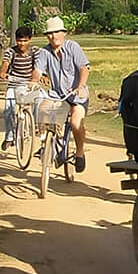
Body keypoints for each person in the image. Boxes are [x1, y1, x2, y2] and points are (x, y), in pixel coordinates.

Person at [31, 16, 90, 172]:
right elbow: (37, 71)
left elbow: (84, 68)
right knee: (43, 112)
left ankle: (79, 152)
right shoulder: (44, 52)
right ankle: (46, 145)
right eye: (50, 33)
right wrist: (34, 81)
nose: (53, 36)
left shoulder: (73, 47)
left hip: (77, 95)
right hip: (57, 95)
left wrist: (80, 86)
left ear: (64, 33)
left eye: (57, 32)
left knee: (75, 123)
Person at [0, 26, 41, 151]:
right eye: (19, 41)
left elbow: (38, 66)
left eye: (25, 40)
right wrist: (3, 72)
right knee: (8, 109)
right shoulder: (11, 51)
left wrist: (41, 76)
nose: (22, 44)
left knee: (39, 99)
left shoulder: (34, 51)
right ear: (16, 40)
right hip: (14, 84)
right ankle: (10, 136)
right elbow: (5, 62)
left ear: (30, 40)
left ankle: (35, 126)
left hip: (30, 84)